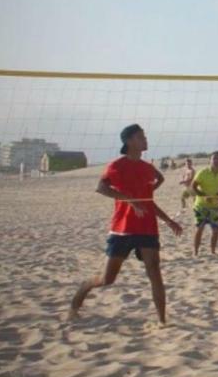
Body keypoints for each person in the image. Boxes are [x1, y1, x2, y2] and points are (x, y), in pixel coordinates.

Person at [70, 124, 183, 324]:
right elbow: (101, 188)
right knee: (107, 279)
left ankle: (162, 321)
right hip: (123, 229)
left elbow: (150, 199)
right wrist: (130, 200)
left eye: (145, 136)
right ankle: (78, 298)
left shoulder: (148, 168)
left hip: (147, 228)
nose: (145, 140)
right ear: (129, 141)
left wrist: (169, 220)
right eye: (141, 137)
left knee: (155, 271)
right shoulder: (117, 165)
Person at [191, 151, 218, 256]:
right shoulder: (203, 172)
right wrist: (203, 196)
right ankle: (196, 252)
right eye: (214, 159)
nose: (216, 161)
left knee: (216, 230)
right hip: (201, 205)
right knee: (200, 228)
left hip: (215, 206)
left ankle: (212, 251)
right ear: (210, 160)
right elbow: (193, 187)